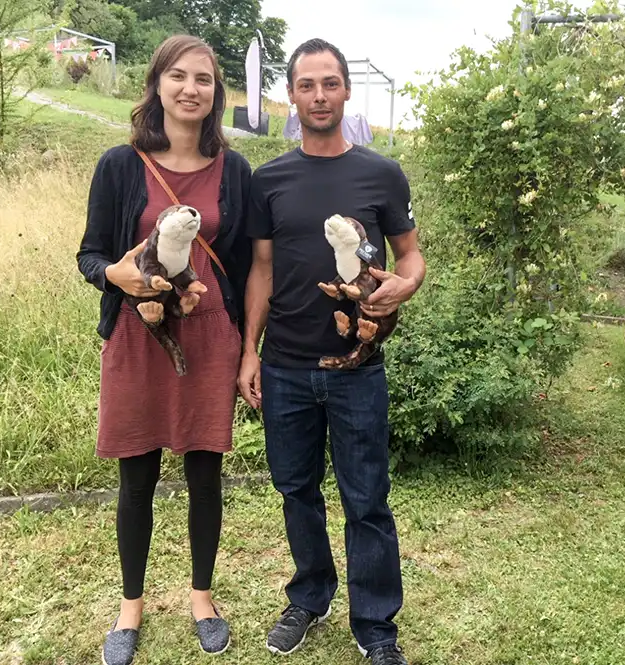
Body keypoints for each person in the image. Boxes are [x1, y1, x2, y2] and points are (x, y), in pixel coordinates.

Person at [238, 38, 426, 665]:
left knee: (366, 499)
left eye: (330, 83)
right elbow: (261, 271)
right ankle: (310, 596)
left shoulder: (381, 173)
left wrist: (406, 284)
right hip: (285, 367)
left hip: (357, 370)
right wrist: (249, 353)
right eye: (306, 85)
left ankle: (375, 627)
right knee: (297, 490)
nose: (319, 96)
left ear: (346, 91)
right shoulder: (269, 180)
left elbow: (410, 255)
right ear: (290, 95)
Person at [76, 34, 252, 665]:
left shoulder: (234, 170)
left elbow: (246, 265)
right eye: (178, 76)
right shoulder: (119, 165)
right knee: (137, 478)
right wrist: (117, 277)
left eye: (203, 79)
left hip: (208, 334)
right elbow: (90, 256)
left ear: (216, 92)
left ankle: (202, 598)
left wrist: (248, 346)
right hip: (138, 333)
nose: (190, 89)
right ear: (156, 84)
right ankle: (131, 608)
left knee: (205, 474)